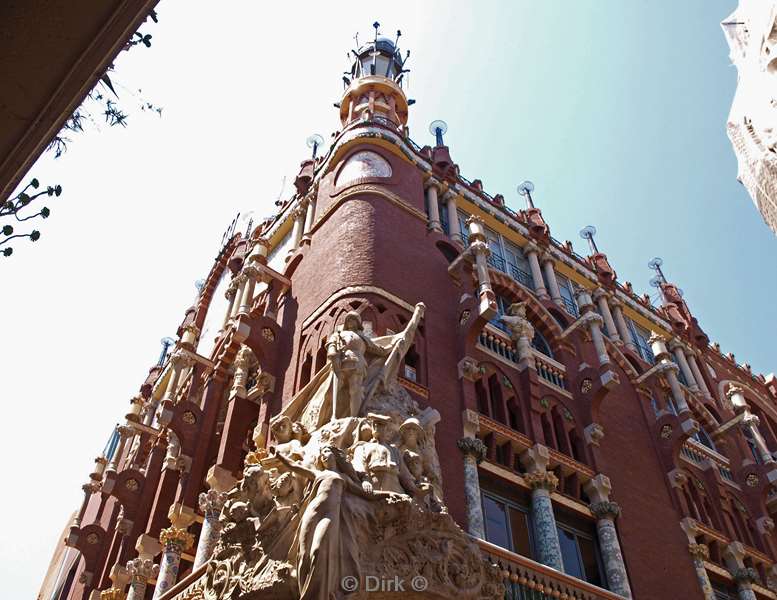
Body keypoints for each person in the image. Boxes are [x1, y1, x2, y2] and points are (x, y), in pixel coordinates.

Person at [274, 445, 396, 600]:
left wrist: (389, 494)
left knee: (318, 550)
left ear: (336, 456)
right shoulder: (319, 473)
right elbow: (294, 466)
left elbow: (367, 494)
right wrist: (278, 456)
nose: (323, 456)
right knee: (304, 553)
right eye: (321, 454)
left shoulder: (343, 478)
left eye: (327, 452)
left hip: (329, 516)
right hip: (312, 513)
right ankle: (304, 592)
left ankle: (318, 595)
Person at [326, 311, 390, 420]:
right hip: (340, 362)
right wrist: (332, 351)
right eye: (349, 319)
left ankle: (353, 417)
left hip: (358, 363)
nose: (351, 321)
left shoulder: (363, 339)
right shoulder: (339, 334)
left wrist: (392, 346)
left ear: (358, 323)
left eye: (353, 319)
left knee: (355, 389)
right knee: (331, 392)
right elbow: (331, 344)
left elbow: (378, 350)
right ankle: (331, 416)